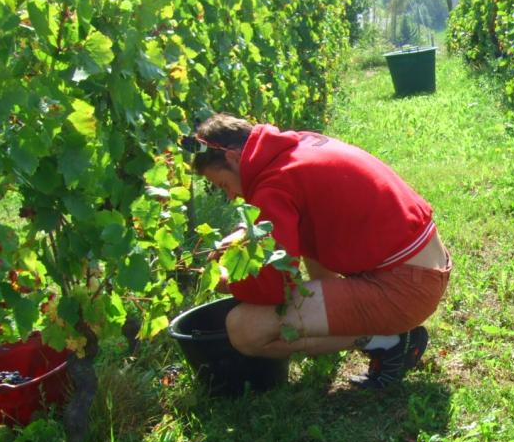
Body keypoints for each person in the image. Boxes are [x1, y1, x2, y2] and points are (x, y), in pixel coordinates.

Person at [184, 113, 452, 389]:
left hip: (404, 289)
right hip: (423, 270)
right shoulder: (293, 148)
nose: (230, 196)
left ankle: (391, 342)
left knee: (244, 329)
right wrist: (243, 234)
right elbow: (295, 219)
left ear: (232, 158)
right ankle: (362, 325)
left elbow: (272, 289)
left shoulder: (273, 184)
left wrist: (225, 278)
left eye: (223, 185)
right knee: (309, 255)